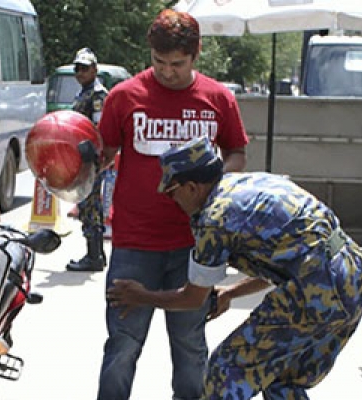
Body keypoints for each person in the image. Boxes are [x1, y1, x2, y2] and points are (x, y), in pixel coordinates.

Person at [107, 136, 362, 399]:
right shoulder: (253, 184)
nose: (172, 201)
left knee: (224, 373)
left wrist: (141, 296)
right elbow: (289, 262)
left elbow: (192, 298)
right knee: (282, 380)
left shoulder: (214, 219)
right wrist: (230, 293)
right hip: (353, 283)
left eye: (171, 192)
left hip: (315, 293)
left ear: (192, 187)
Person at [94, 9, 249, 400]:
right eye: (159, 63)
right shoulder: (124, 97)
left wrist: (212, 181)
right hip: (133, 243)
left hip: (194, 244)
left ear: (195, 55)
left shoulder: (219, 98)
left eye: (177, 64)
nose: (167, 72)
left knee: (190, 346)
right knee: (122, 345)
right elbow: (104, 151)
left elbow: (237, 154)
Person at [66, 47, 110, 272]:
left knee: (90, 205)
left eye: (84, 68)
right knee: (87, 204)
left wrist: (91, 156)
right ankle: (96, 254)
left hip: (90, 158)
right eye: (77, 68)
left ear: (94, 69)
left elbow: (98, 128)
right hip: (81, 156)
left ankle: (94, 256)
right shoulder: (84, 92)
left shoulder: (97, 94)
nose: (80, 73)